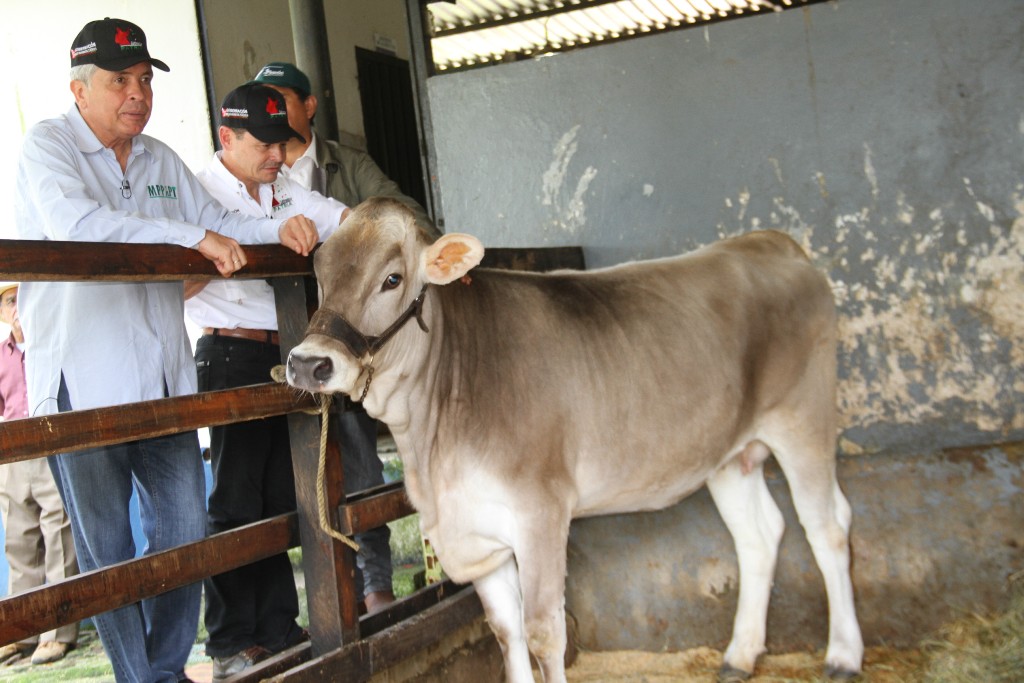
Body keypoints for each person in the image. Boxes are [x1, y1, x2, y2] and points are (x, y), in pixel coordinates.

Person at [14, 18, 322, 683]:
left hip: (163, 379)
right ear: (79, 88)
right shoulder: (48, 147)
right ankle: (143, 677)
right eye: (119, 80)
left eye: (146, 79)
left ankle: (161, 669)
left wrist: (280, 225)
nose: (137, 93)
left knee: (185, 538)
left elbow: (227, 226)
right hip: (81, 381)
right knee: (112, 555)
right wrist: (192, 239)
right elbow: (77, 226)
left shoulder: (158, 159)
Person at [252, 61, 442, 612]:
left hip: (361, 340)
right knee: (289, 476)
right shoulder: (262, 175)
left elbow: (405, 214)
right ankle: (326, 604)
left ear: (308, 106)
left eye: (282, 100)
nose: (273, 112)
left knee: (360, 461)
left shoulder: (345, 165)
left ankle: (376, 583)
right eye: (262, 102)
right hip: (295, 343)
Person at [183, 82, 351, 680]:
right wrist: (262, 239)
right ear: (226, 137)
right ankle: (230, 641)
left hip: (288, 350)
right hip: (230, 353)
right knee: (234, 499)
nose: (278, 157)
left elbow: (350, 221)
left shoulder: (286, 190)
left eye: (282, 144)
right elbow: (194, 258)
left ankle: (278, 626)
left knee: (282, 494)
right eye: (264, 144)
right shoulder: (197, 192)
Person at [0, 283, 79, 666]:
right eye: (10, 301)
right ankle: (22, 629)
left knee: (59, 534)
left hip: (49, 442)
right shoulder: (1, 356)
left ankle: (58, 630)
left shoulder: (50, 345)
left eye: (21, 298)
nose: (17, 308)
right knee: (18, 540)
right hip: (13, 455)